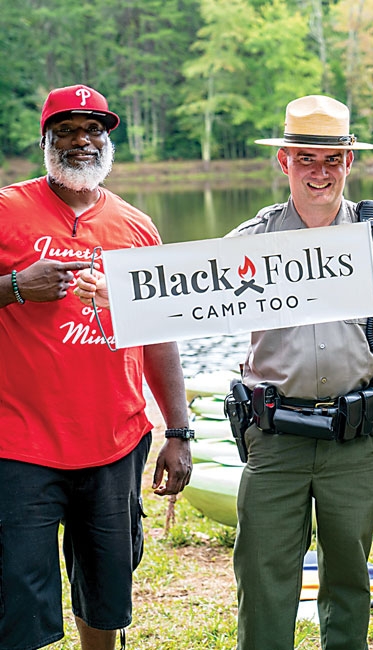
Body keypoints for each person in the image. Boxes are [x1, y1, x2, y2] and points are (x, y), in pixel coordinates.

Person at [226, 95, 373, 650]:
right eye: (306, 158)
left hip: (356, 443)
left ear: (349, 164)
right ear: (283, 162)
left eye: (332, 159)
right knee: (262, 579)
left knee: (351, 582)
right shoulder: (251, 242)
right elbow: (177, 296)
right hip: (275, 438)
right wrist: (115, 292)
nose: (320, 171)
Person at [0, 84, 192, 650]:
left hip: (114, 439)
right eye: (67, 130)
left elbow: (161, 335)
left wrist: (178, 431)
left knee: (108, 594)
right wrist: (15, 285)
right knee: (18, 593)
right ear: (46, 140)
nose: (81, 140)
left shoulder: (137, 226)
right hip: (21, 444)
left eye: (94, 130)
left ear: (107, 141)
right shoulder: (8, 210)